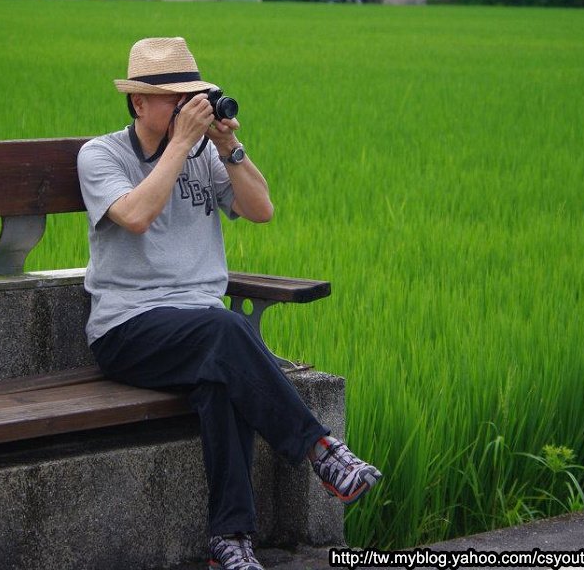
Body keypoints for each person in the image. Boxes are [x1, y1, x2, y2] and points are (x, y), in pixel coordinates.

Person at [77, 37, 382, 570]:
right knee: (227, 331)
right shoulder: (102, 155)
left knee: (221, 379)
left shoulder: (203, 156)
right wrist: (180, 146)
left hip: (201, 335)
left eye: (192, 96)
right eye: (175, 99)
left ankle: (230, 541)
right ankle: (320, 451)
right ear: (138, 102)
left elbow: (261, 209)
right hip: (127, 329)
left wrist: (228, 149)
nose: (186, 107)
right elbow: (136, 216)